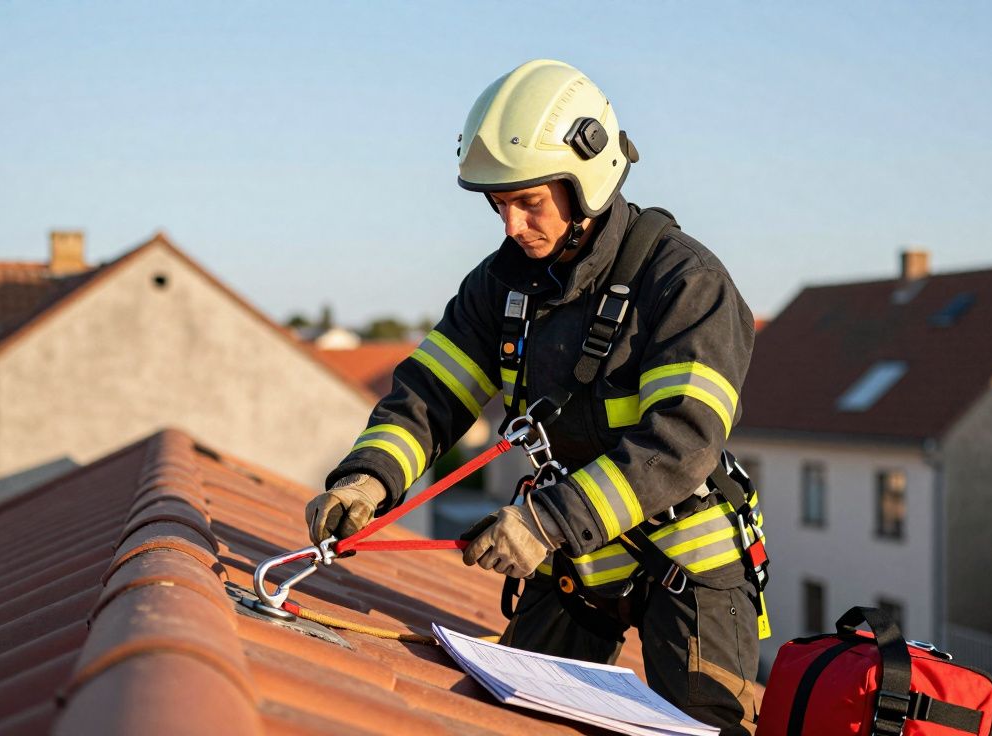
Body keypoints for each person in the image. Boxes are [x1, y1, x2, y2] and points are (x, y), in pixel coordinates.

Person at [306, 59, 762, 734]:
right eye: (499, 204)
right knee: (514, 716)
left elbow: (682, 443)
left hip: (685, 562)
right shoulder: (502, 284)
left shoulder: (687, 284)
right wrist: (367, 479)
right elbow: (430, 395)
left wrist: (545, 523)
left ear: (588, 181)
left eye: (529, 202)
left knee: (702, 728)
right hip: (577, 557)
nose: (511, 226)